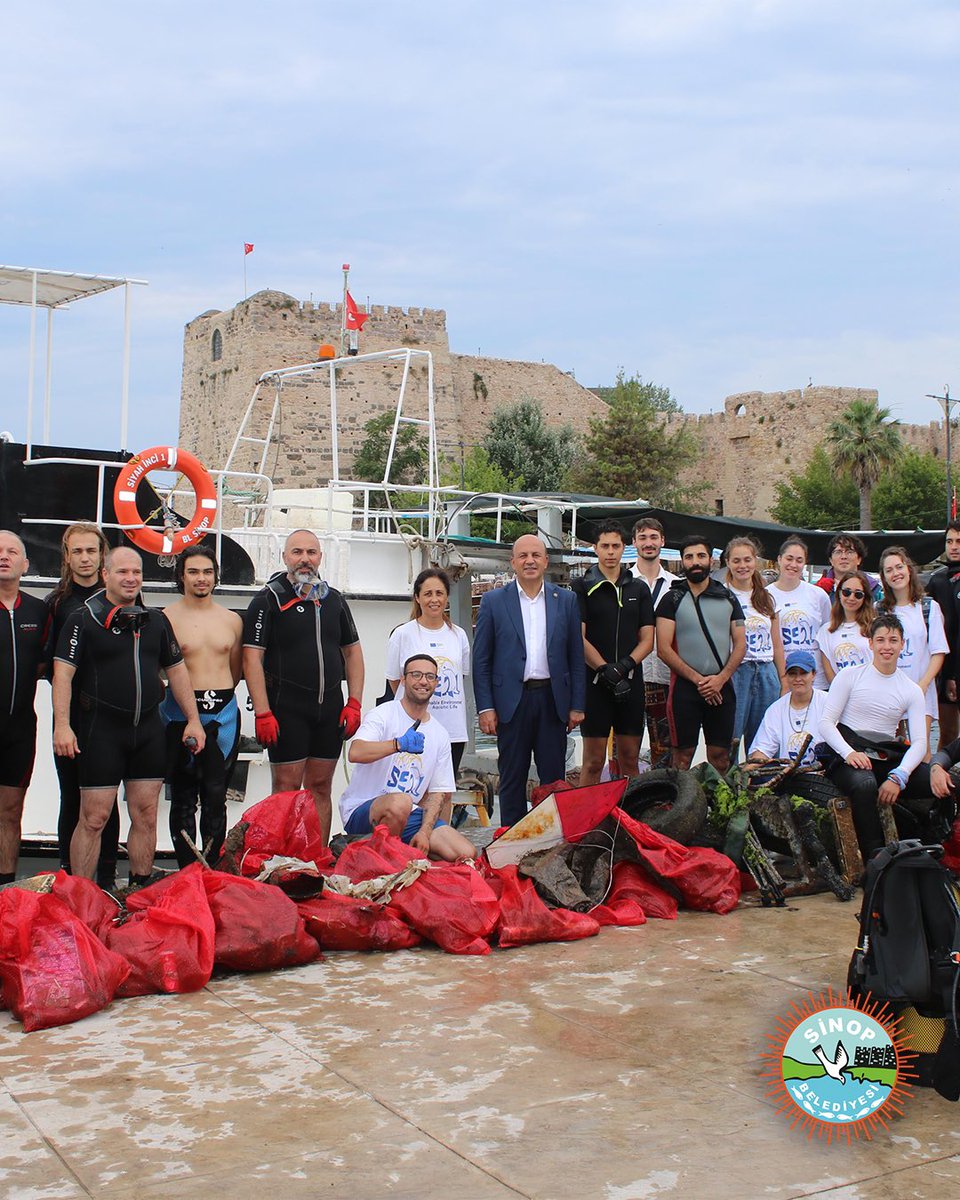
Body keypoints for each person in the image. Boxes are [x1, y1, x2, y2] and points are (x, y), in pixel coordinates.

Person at [53, 546, 206, 885]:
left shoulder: (156, 620)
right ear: (105, 575)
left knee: (146, 814)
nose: (131, 578)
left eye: (136, 572)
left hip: (147, 731)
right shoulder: (84, 617)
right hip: (102, 731)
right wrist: (62, 726)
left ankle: (138, 888)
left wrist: (193, 719)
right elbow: (62, 674)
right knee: (94, 817)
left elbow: (177, 672)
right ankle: (81, 893)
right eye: (123, 572)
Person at [243, 529, 364, 846]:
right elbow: (252, 659)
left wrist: (354, 702)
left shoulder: (334, 600)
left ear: (320, 557)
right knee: (286, 787)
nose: (305, 559)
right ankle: (278, 861)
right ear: (285, 557)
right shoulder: (268, 599)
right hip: (286, 709)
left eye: (311, 552)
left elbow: (352, 653)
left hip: (329, 710)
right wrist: (263, 712)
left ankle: (317, 861)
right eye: (297, 552)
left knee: (321, 786)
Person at [473, 533, 585, 827]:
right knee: (511, 776)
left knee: (553, 778)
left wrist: (577, 705)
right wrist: (485, 708)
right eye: (523, 556)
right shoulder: (493, 602)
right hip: (511, 702)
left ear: (546, 561)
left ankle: (549, 841)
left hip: (552, 701)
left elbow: (576, 656)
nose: (530, 561)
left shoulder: (567, 601)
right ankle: (508, 843)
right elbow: (481, 660)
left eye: (536, 555)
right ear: (513, 563)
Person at [339, 654, 477, 860]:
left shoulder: (440, 734)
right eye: (416, 675)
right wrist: (397, 745)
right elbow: (355, 752)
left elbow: (439, 794)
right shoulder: (382, 714)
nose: (423, 681)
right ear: (403, 680)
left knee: (464, 852)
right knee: (400, 803)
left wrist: (425, 833)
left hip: (409, 813)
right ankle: (381, 863)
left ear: (437, 683)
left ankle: (405, 854)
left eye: (430, 676)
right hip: (363, 811)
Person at [42, 522, 120, 886]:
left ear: (102, 555)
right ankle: (68, 876)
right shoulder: (56, 605)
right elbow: (49, 669)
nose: (85, 558)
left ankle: (106, 877)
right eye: (78, 551)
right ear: (67, 556)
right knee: (72, 796)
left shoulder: (121, 599)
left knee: (109, 801)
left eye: (92, 550)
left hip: (114, 717)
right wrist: (62, 723)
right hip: (74, 716)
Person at [819, 614, 932, 861]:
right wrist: (849, 753)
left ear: (903, 644)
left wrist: (900, 775)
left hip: (886, 756)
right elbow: (826, 723)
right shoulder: (849, 676)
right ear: (870, 644)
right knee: (865, 784)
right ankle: (875, 857)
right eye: (880, 640)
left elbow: (920, 742)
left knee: (935, 780)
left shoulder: (911, 689)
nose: (887, 647)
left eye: (893, 640)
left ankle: (934, 848)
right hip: (849, 753)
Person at [162, 545, 243, 868]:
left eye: (207, 572)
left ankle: (211, 870)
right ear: (181, 576)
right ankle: (187, 870)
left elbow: (235, 671)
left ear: (216, 576)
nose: (201, 579)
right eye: (193, 572)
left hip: (222, 715)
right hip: (178, 712)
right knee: (182, 799)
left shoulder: (232, 620)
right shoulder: (166, 618)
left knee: (215, 798)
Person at [572, 521, 654, 785]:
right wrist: (604, 669)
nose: (610, 552)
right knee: (593, 762)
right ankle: (588, 823)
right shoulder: (581, 586)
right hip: (596, 684)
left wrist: (624, 666)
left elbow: (648, 638)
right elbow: (578, 636)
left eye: (616, 546)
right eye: (604, 546)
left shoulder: (638, 588)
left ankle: (631, 819)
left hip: (629, 682)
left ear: (624, 548)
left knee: (630, 759)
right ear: (595, 549)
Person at [655, 535, 746, 773]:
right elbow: (663, 649)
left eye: (701, 556)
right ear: (683, 561)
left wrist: (720, 679)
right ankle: (680, 807)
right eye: (689, 557)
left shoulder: (727, 597)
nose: (695, 561)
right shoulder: (671, 599)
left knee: (720, 757)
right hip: (685, 690)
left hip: (722, 686)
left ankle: (720, 808)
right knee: (681, 758)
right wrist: (699, 681)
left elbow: (740, 645)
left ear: (711, 560)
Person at [385, 567, 470, 785]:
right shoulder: (402, 634)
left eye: (439, 593)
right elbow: (395, 679)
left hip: (452, 730)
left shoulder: (459, 635)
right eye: (428, 594)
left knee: (443, 793)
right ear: (417, 597)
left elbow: (461, 676)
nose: (434, 599)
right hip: (412, 730)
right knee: (411, 789)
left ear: (447, 597)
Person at [0, 531, 50, 885]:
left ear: (25, 564)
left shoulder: (38, 610)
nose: (3, 556)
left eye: (11, 551)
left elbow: (46, 667)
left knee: (11, 811)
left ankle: (4, 889)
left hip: (19, 729)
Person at [878, 545, 948, 752]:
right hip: (889, 691)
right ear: (884, 576)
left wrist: (924, 684)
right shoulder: (880, 610)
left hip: (921, 690)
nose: (895, 573)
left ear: (908, 569)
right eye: (889, 570)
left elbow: (938, 651)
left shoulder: (928, 608)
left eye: (898, 567)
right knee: (893, 750)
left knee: (922, 749)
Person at [723, 536, 785, 760]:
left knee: (764, 740)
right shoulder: (722, 595)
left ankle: (761, 790)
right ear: (728, 562)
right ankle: (728, 788)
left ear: (755, 561)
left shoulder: (767, 597)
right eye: (736, 561)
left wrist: (783, 679)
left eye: (747, 560)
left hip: (767, 672)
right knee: (730, 737)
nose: (742, 566)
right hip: (737, 673)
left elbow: (777, 643)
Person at [631, 517, 674, 765]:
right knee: (625, 751)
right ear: (634, 542)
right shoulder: (623, 582)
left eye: (654, 537)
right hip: (631, 677)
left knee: (665, 753)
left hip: (665, 677)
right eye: (643, 537)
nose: (649, 543)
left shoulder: (675, 585)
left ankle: (665, 803)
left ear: (662, 541)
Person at [746, 650, 829, 771]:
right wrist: (746, 773)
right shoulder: (775, 709)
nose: (798, 679)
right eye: (792, 674)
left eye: (803, 673)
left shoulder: (828, 702)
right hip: (788, 776)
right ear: (786, 676)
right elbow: (763, 749)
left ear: (814, 674)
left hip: (824, 773)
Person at [766, 537, 831, 688]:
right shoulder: (765, 596)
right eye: (789, 558)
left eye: (799, 560)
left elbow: (827, 636)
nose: (793, 565)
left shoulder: (818, 595)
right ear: (779, 559)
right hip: (781, 678)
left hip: (815, 678)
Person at [926, 520, 960, 750]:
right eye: (949, 541)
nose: (954, 546)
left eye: (959, 541)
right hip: (945, 669)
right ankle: (939, 782)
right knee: (947, 735)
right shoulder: (938, 580)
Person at [816, 569, 876, 685]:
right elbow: (829, 674)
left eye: (858, 594)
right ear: (839, 593)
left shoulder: (875, 627)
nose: (851, 598)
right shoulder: (825, 631)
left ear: (865, 598)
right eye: (846, 592)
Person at [814, 534, 883, 605]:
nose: (843, 557)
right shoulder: (816, 589)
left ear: (859, 559)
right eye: (838, 552)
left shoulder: (874, 589)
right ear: (831, 560)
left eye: (849, 552)